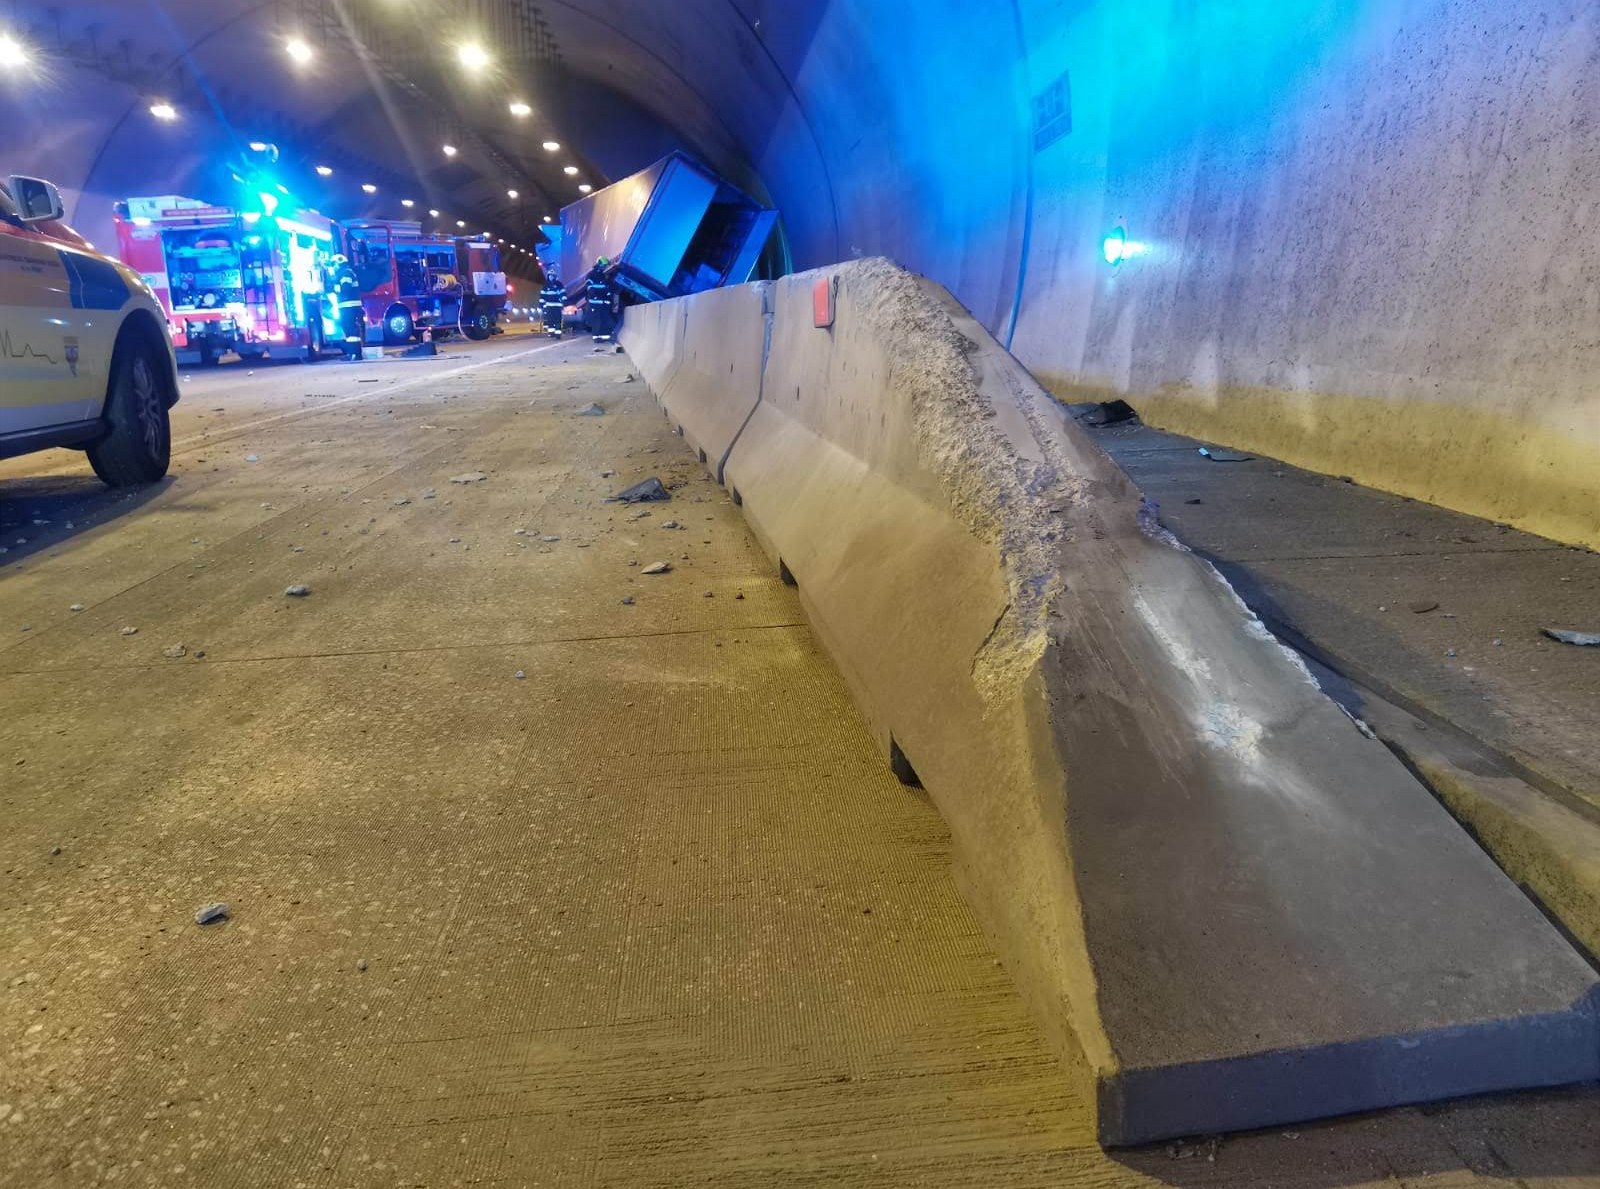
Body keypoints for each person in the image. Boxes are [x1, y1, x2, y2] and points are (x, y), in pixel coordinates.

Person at [328, 254, 365, 358]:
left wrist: (333, 288)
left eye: (333, 264)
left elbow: (346, 288)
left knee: (350, 330)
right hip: (348, 306)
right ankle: (354, 353)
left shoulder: (346, 273)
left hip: (349, 306)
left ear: (339, 263)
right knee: (349, 330)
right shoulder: (344, 273)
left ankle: (354, 354)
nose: (333, 267)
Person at [584, 257, 618, 339]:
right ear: (599, 264)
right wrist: (594, 296)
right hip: (595, 303)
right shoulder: (591, 274)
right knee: (597, 320)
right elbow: (589, 287)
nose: (604, 267)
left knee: (604, 319)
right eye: (603, 265)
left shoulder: (604, 275)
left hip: (603, 303)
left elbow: (607, 288)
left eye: (605, 266)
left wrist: (609, 298)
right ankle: (596, 337)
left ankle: (604, 336)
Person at [540, 272, 566, 337]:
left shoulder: (559, 284)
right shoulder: (546, 285)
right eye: (549, 276)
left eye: (552, 276)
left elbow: (563, 294)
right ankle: (551, 333)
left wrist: (564, 302)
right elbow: (542, 296)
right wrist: (541, 305)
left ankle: (558, 334)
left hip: (557, 306)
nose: (550, 277)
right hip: (549, 306)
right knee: (550, 320)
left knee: (558, 320)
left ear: (554, 276)